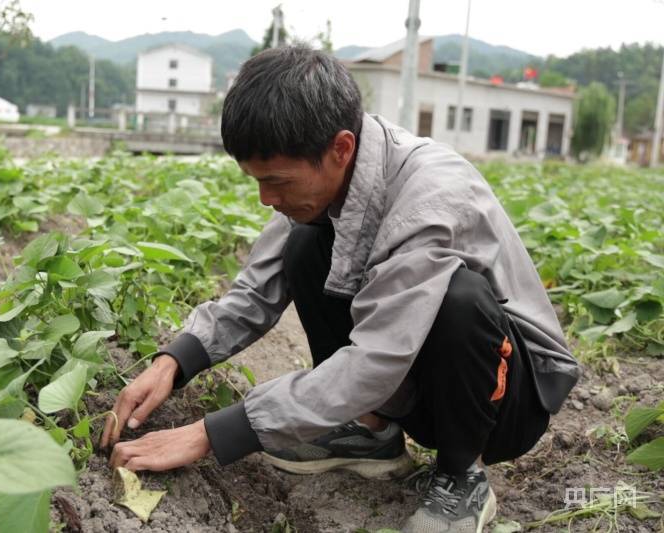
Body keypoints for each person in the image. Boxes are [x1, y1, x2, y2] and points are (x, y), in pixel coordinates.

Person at [100, 45, 579, 533]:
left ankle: (462, 475)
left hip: (506, 399)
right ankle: (371, 431)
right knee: (305, 245)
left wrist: (213, 433)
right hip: (415, 386)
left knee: (458, 297)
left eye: (277, 181)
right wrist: (175, 361)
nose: (267, 199)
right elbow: (254, 292)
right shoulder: (322, 188)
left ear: (341, 149)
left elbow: (378, 358)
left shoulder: (430, 195)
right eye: (256, 182)